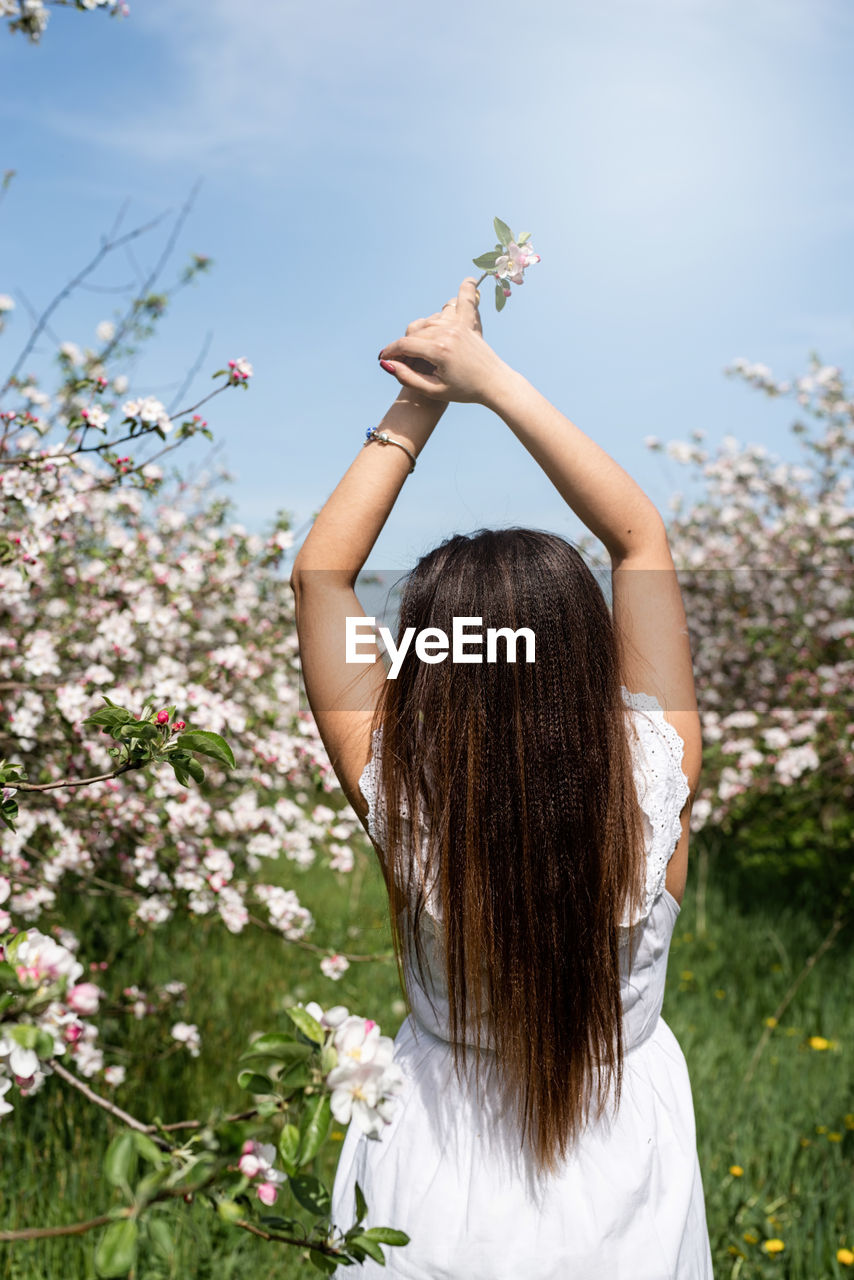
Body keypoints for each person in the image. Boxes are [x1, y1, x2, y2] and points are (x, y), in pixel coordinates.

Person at [289, 277, 715, 1277]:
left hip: (433, 1165)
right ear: (584, 647)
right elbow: (638, 538)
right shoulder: (654, 779)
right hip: (625, 1167)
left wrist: (422, 395)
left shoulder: (402, 796)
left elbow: (321, 575)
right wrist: (490, 380)